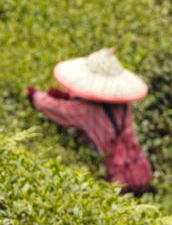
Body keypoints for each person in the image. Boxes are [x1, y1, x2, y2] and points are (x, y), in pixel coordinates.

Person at [26, 49, 154, 196]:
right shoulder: (124, 105)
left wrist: (34, 95)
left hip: (115, 176)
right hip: (138, 168)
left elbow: (55, 109)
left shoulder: (87, 110)